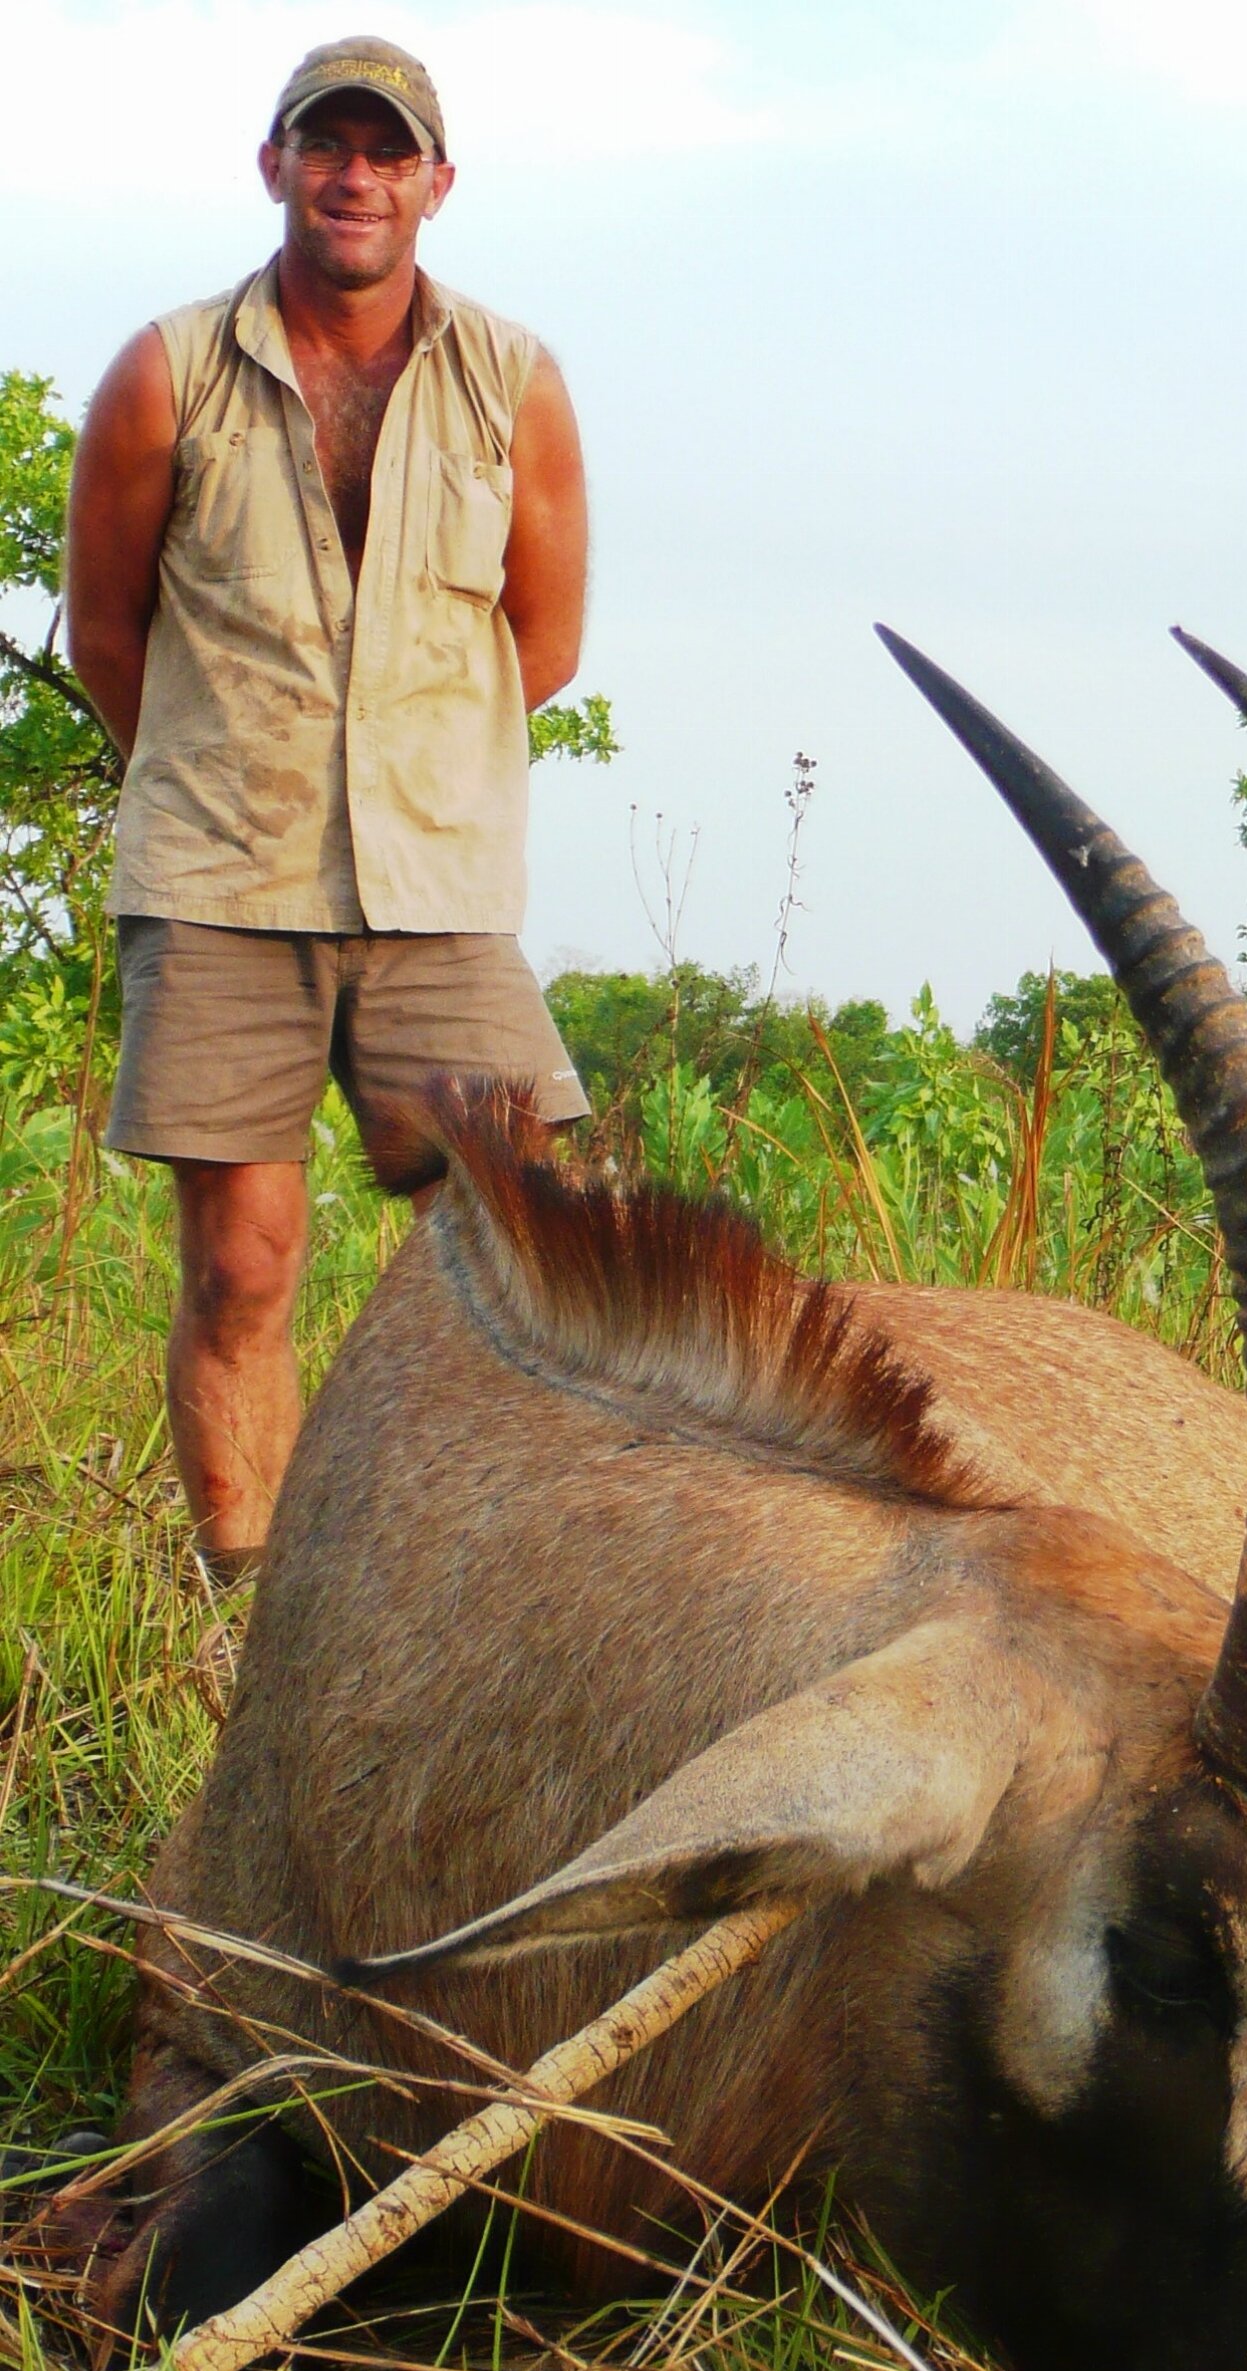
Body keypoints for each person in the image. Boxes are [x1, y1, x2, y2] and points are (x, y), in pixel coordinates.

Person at [64, 35, 591, 1579]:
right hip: (225, 880)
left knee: (529, 1247)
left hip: (436, 892)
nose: (353, 175)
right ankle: (253, 1623)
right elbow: (110, 639)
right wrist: (235, 774)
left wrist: (407, 773)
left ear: (436, 183)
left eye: (385, 151)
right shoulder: (167, 373)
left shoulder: (514, 382)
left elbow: (541, 643)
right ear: (275, 164)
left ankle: (484, 1596)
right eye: (325, 145)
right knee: (242, 1267)